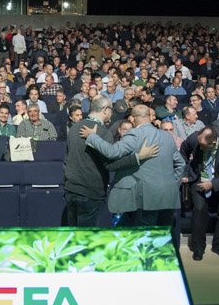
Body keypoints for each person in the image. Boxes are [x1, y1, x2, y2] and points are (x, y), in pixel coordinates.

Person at [81, 103, 184, 227]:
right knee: (162, 239)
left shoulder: (134, 134)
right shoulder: (167, 136)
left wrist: (92, 137)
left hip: (147, 198)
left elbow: (112, 152)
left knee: (144, 238)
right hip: (168, 196)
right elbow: (180, 164)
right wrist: (173, 184)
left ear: (133, 119)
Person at [63, 96, 153, 226]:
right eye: (111, 109)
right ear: (105, 110)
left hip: (71, 190)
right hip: (90, 193)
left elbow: (66, 161)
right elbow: (111, 164)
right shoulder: (103, 132)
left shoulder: (75, 128)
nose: (112, 113)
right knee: (86, 239)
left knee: (73, 237)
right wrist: (138, 157)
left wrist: (65, 187)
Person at [181, 127, 219, 260]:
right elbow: (183, 152)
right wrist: (185, 172)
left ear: (213, 143)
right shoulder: (194, 138)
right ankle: (198, 247)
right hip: (199, 179)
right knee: (199, 208)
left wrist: (213, 184)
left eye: (203, 147)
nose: (200, 149)